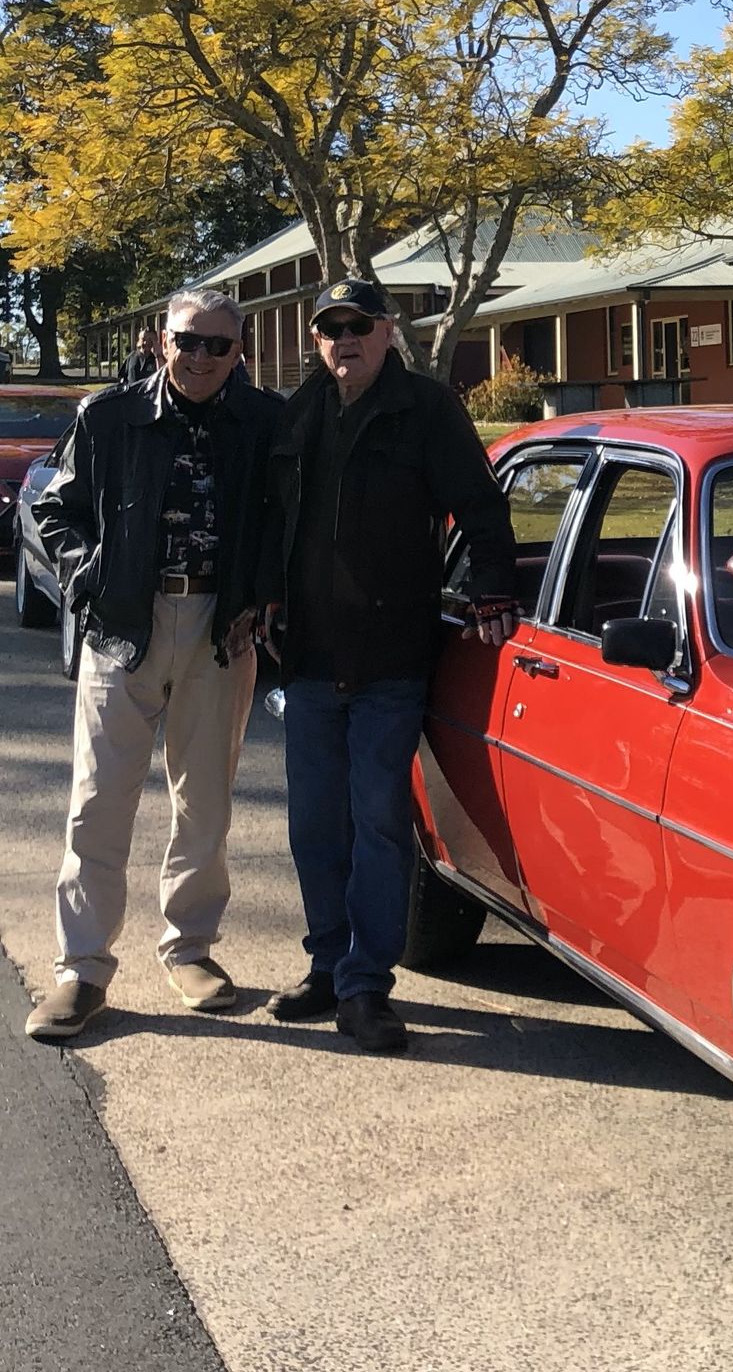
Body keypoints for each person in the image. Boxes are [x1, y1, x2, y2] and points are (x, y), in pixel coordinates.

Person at [256, 279, 518, 1055]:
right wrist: (265, 596)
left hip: (390, 659)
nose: (346, 339)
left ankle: (368, 986)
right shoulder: (299, 412)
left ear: (387, 330)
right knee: (314, 826)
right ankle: (328, 966)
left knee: (376, 821)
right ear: (316, 339)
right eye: (331, 328)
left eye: (360, 325)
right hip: (307, 658)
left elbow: (480, 505)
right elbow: (272, 521)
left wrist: (489, 588)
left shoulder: (428, 409)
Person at [24, 289, 278, 1043]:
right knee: (98, 805)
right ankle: (82, 969)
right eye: (187, 341)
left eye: (218, 346)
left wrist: (260, 596)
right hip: (123, 628)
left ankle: (191, 948)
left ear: (241, 351)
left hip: (218, 628)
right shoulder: (109, 416)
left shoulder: (265, 422)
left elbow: (283, 518)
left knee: (205, 803)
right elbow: (52, 511)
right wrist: (89, 581)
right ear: (157, 339)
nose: (200, 358)